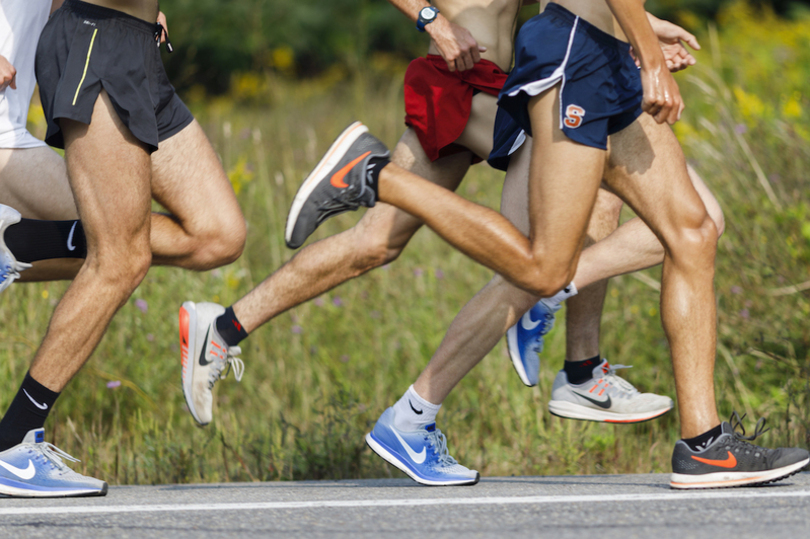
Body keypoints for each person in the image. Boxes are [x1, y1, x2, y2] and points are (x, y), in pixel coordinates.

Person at [286, 0, 809, 489]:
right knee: (543, 273)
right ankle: (376, 176)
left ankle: (705, 445)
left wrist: (639, 27)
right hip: (573, 58)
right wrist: (649, 57)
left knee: (693, 231)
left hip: (601, 51)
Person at [178, 0, 688, 436]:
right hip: (463, 84)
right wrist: (433, 21)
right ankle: (572, 369)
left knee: (376, 242)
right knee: (545, 240)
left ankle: (221, 328)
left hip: (499, 81)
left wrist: (639, 29)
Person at [0, 0, 246, 498]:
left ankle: (16, 242)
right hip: (97, 39)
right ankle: (12, 443)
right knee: (119, 256)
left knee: (217, 234)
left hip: (135, 43)